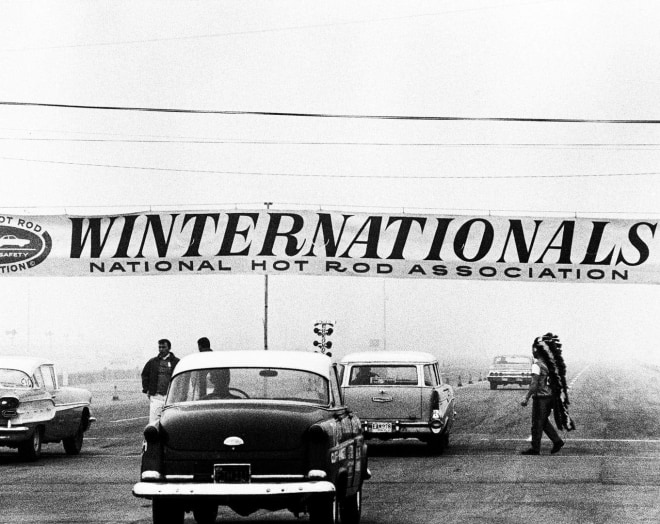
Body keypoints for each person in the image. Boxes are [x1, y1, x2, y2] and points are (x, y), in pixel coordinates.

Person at [520, 332, 575, 455]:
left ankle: (535, 448)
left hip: (541, 398)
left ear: (536, 351)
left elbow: (534, 384)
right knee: (543, 421)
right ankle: (557, 441)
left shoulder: (537, 365)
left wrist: (526, 397)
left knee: (537, 424)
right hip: (551, 396)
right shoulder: (551, 365)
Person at [141, 339, 179, 424]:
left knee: (172, 422)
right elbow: (144, 375)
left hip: (171, 398)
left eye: (163, 347)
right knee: (154, 423)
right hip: (156, 397)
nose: (161, 349)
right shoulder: (152, 362)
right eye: (160, 347)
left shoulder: (176, 362)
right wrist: (146, 389)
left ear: (169, 348)